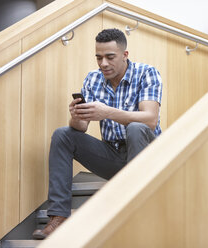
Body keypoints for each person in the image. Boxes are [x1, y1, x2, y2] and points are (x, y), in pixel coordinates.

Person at [32, 28, 163, 240]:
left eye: (110, 57)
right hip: (112, 155)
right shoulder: (93, 79)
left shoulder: (147, 73)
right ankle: (58, 218)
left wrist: (107, 112)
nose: (103, 64)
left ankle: (136, 211)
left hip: (146, 155)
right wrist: (76, 115)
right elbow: (81, 127)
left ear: (124, 55)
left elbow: (150, 119)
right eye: (99, 57)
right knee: (63, 134)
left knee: (136, 127)